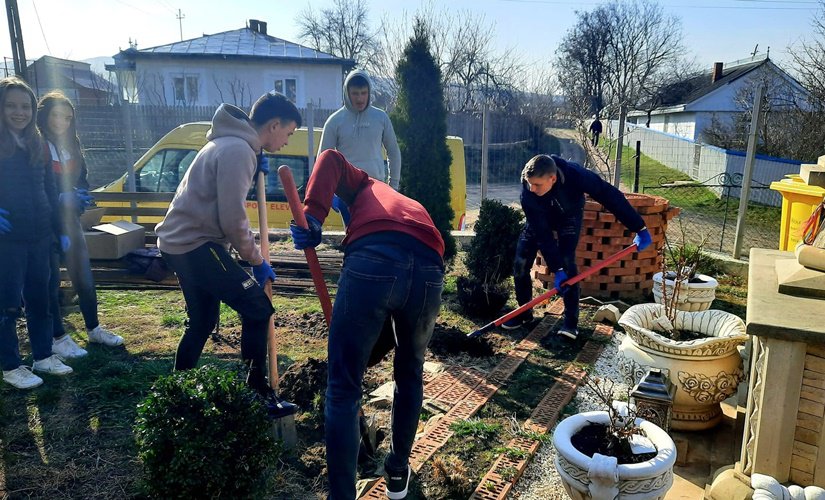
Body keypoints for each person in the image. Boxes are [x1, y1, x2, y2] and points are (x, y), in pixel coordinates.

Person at [289, 149, 444, 500]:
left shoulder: (364, 184)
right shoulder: (406, 203)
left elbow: (328, 157)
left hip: (374, 259)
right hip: (430, 271)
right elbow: (394, 310)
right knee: (410, 373)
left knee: (343, 388)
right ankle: (398, 471)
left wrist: (313, 215)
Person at [155, 92, 298, 418]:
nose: (287, 141)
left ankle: (178, 391)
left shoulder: (234, 146)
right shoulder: (237, 151)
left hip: (181, 243)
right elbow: (233, 221)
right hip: (195, 244)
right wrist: (256, 260)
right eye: (288, 133)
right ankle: (257, 394)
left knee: (203, 321)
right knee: (258, 307)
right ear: (274, 125)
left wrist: (255, 153)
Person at [502, 154, 651, 340]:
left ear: (553, 178)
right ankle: (524, 314)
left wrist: (639, 227)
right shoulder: (528, 193)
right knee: (520, 264)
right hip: (539, 219)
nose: (532, 188)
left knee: (567, 261)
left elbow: (609, 195)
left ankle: (570, 323)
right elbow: (544, 236)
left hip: (568, 216)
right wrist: (557, 270)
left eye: (537, 185)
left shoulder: (576, 175)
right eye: (529, 183)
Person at [0, 77, 74, 389]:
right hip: (8, 240)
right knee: (7, 304)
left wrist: (58, 229)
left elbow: (48, 188)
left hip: (40, 235)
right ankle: (10, 365)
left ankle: (43, 356)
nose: (20, 112)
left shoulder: (39, 144)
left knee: (41, 298)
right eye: (11, 106)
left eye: (25, 106)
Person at [38, 91, 124, 360]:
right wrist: (60, 199)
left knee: (84, 278)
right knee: (50, 281)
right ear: (44, 115)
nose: (61, 122)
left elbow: (82, 180)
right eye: (56, 115)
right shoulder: (38, 145)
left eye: (67, 117)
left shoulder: (72, 146)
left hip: (70, 221)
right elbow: (37, 185)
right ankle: (57, 337)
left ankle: (94, 329)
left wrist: (81, 196)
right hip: (44, 223)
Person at [319, 68, 402, 190]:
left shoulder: (381, 118)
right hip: (346, 191)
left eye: (363, 93)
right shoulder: (334, 121)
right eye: (355, 93)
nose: (360, 99)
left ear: (369, 93)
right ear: (347, 93)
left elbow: (393, 151)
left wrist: (393, 186)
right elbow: (323, 160)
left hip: (376, 188)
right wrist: (326, 192)